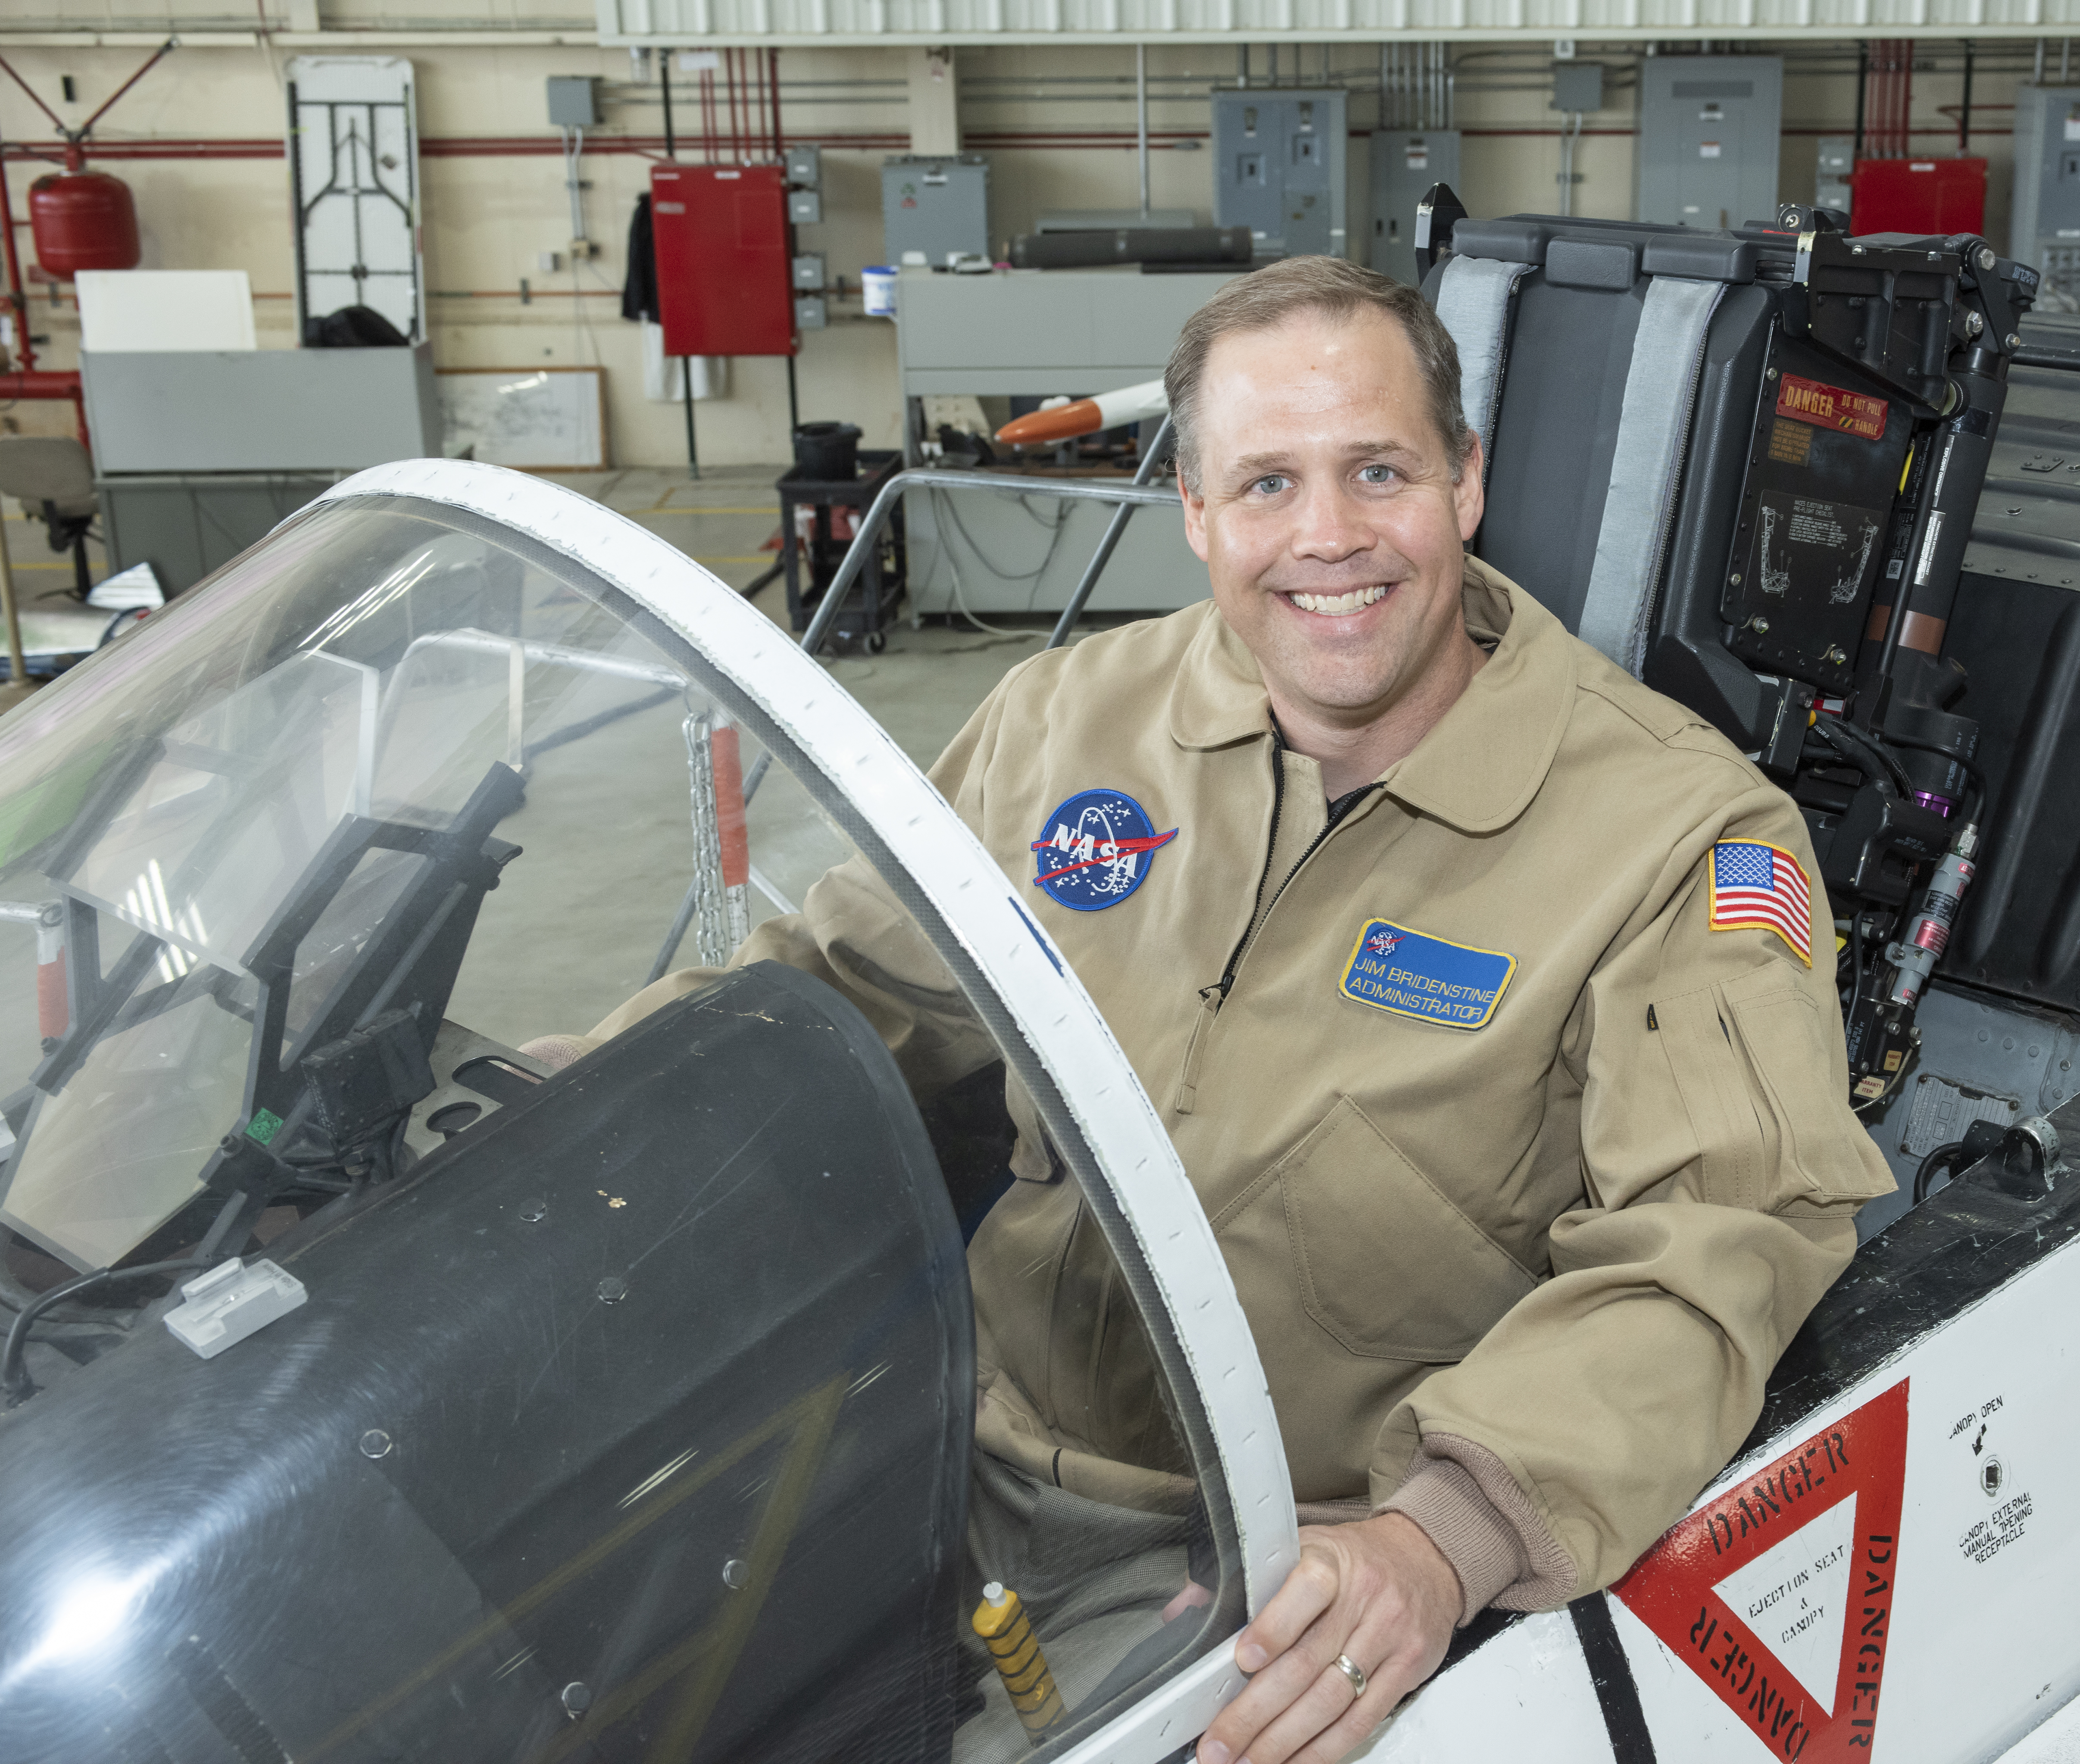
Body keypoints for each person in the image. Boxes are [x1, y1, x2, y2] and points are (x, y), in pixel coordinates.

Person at [545, 257, 1892, 1764]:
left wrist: (1440, 1541)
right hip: (948, 1447)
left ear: (1466, 484)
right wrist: (592, 1095)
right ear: (1194, 513)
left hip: (1272, 1555)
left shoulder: (1680, 839)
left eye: (1377, 470)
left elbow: (1714, 1246)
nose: (1326, 538)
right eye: (1265, 484)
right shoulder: (1067, 723)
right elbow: (851, 988)